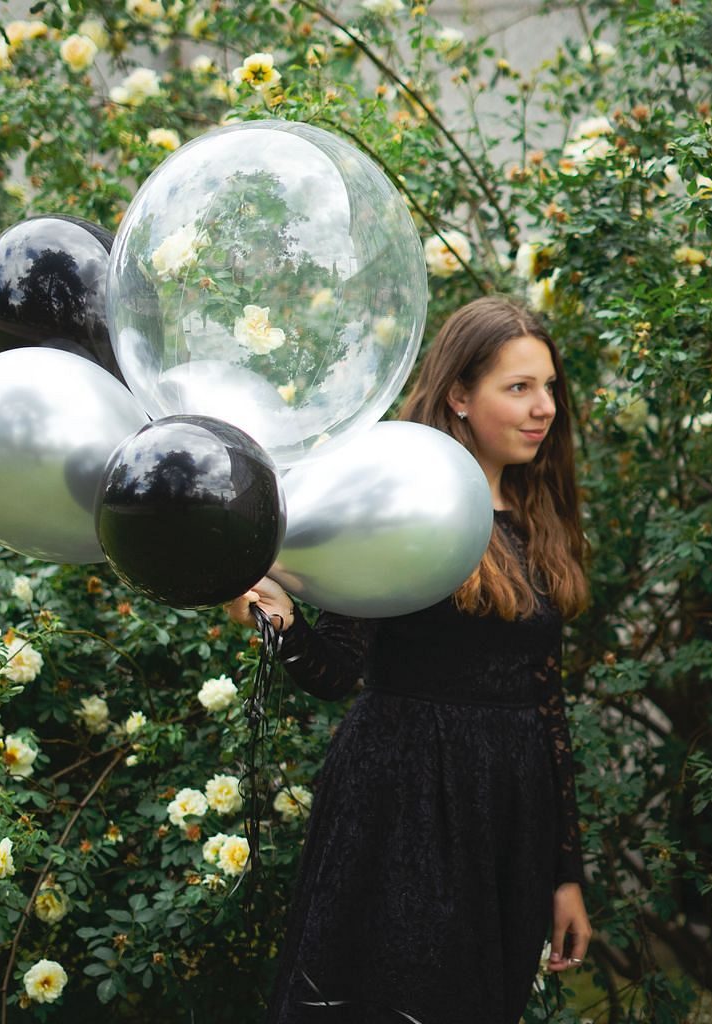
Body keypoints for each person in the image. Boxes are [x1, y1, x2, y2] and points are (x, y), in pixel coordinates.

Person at [228, 296, 592, 1024]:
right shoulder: (398, 501)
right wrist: (282, 622)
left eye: (549, 387)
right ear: (459, 394)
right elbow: (337, 673)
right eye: (519, 387)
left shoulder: (538, 516)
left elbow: (546, 706)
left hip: (508, 811)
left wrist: (565, 873)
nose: (544, 408)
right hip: (404, 799)